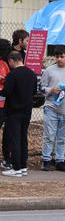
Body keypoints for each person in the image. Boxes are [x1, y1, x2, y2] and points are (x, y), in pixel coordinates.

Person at [0, 51, 37, 177]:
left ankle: (16, 168)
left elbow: (6, 92)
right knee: (23, 138)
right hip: (27, 111)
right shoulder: (31, 74)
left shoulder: (13, 74)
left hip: (13, 111)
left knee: (14, 139)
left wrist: (4, 84)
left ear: (11, 61)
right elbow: (34, 91)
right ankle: (23, 166)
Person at [0, 39, 12, 169]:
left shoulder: (4, 64)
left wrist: (4, 80)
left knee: (7, 133)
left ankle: (6, 158)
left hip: (3, 105)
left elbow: (9, 79)